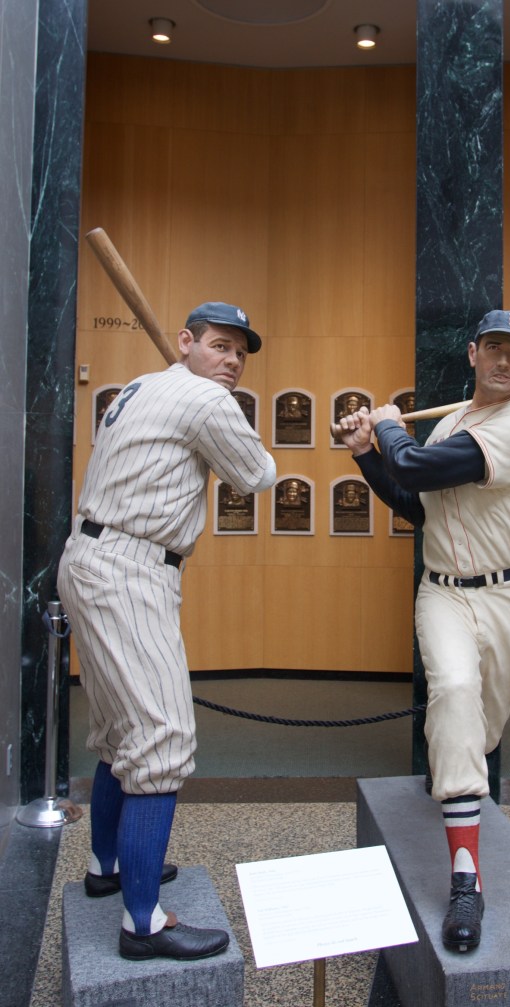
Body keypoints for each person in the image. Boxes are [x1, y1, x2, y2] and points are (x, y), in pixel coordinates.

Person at [57, 301, 275, 961]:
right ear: (185, 342)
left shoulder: (143, 385)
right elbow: (257, 474)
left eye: (239, 351)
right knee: (161, 739)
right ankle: (143, 922)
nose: (231, 360)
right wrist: (215, 412)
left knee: (122, 732)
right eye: (218, 345)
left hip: (91, 556)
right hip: (129, 570)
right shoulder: (207, 401)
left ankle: (107, 867)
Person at [337, 310, 510, 953]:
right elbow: (413, 503)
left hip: (504, 593)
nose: (506, 362)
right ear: (474, 354)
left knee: (481, 728)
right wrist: (368, 454)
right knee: (452, 690)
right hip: (443, 592)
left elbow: (421, 471)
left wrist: (391, 426)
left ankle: (454, 772)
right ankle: (465, 878)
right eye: (496, 350)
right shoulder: (452, 421)